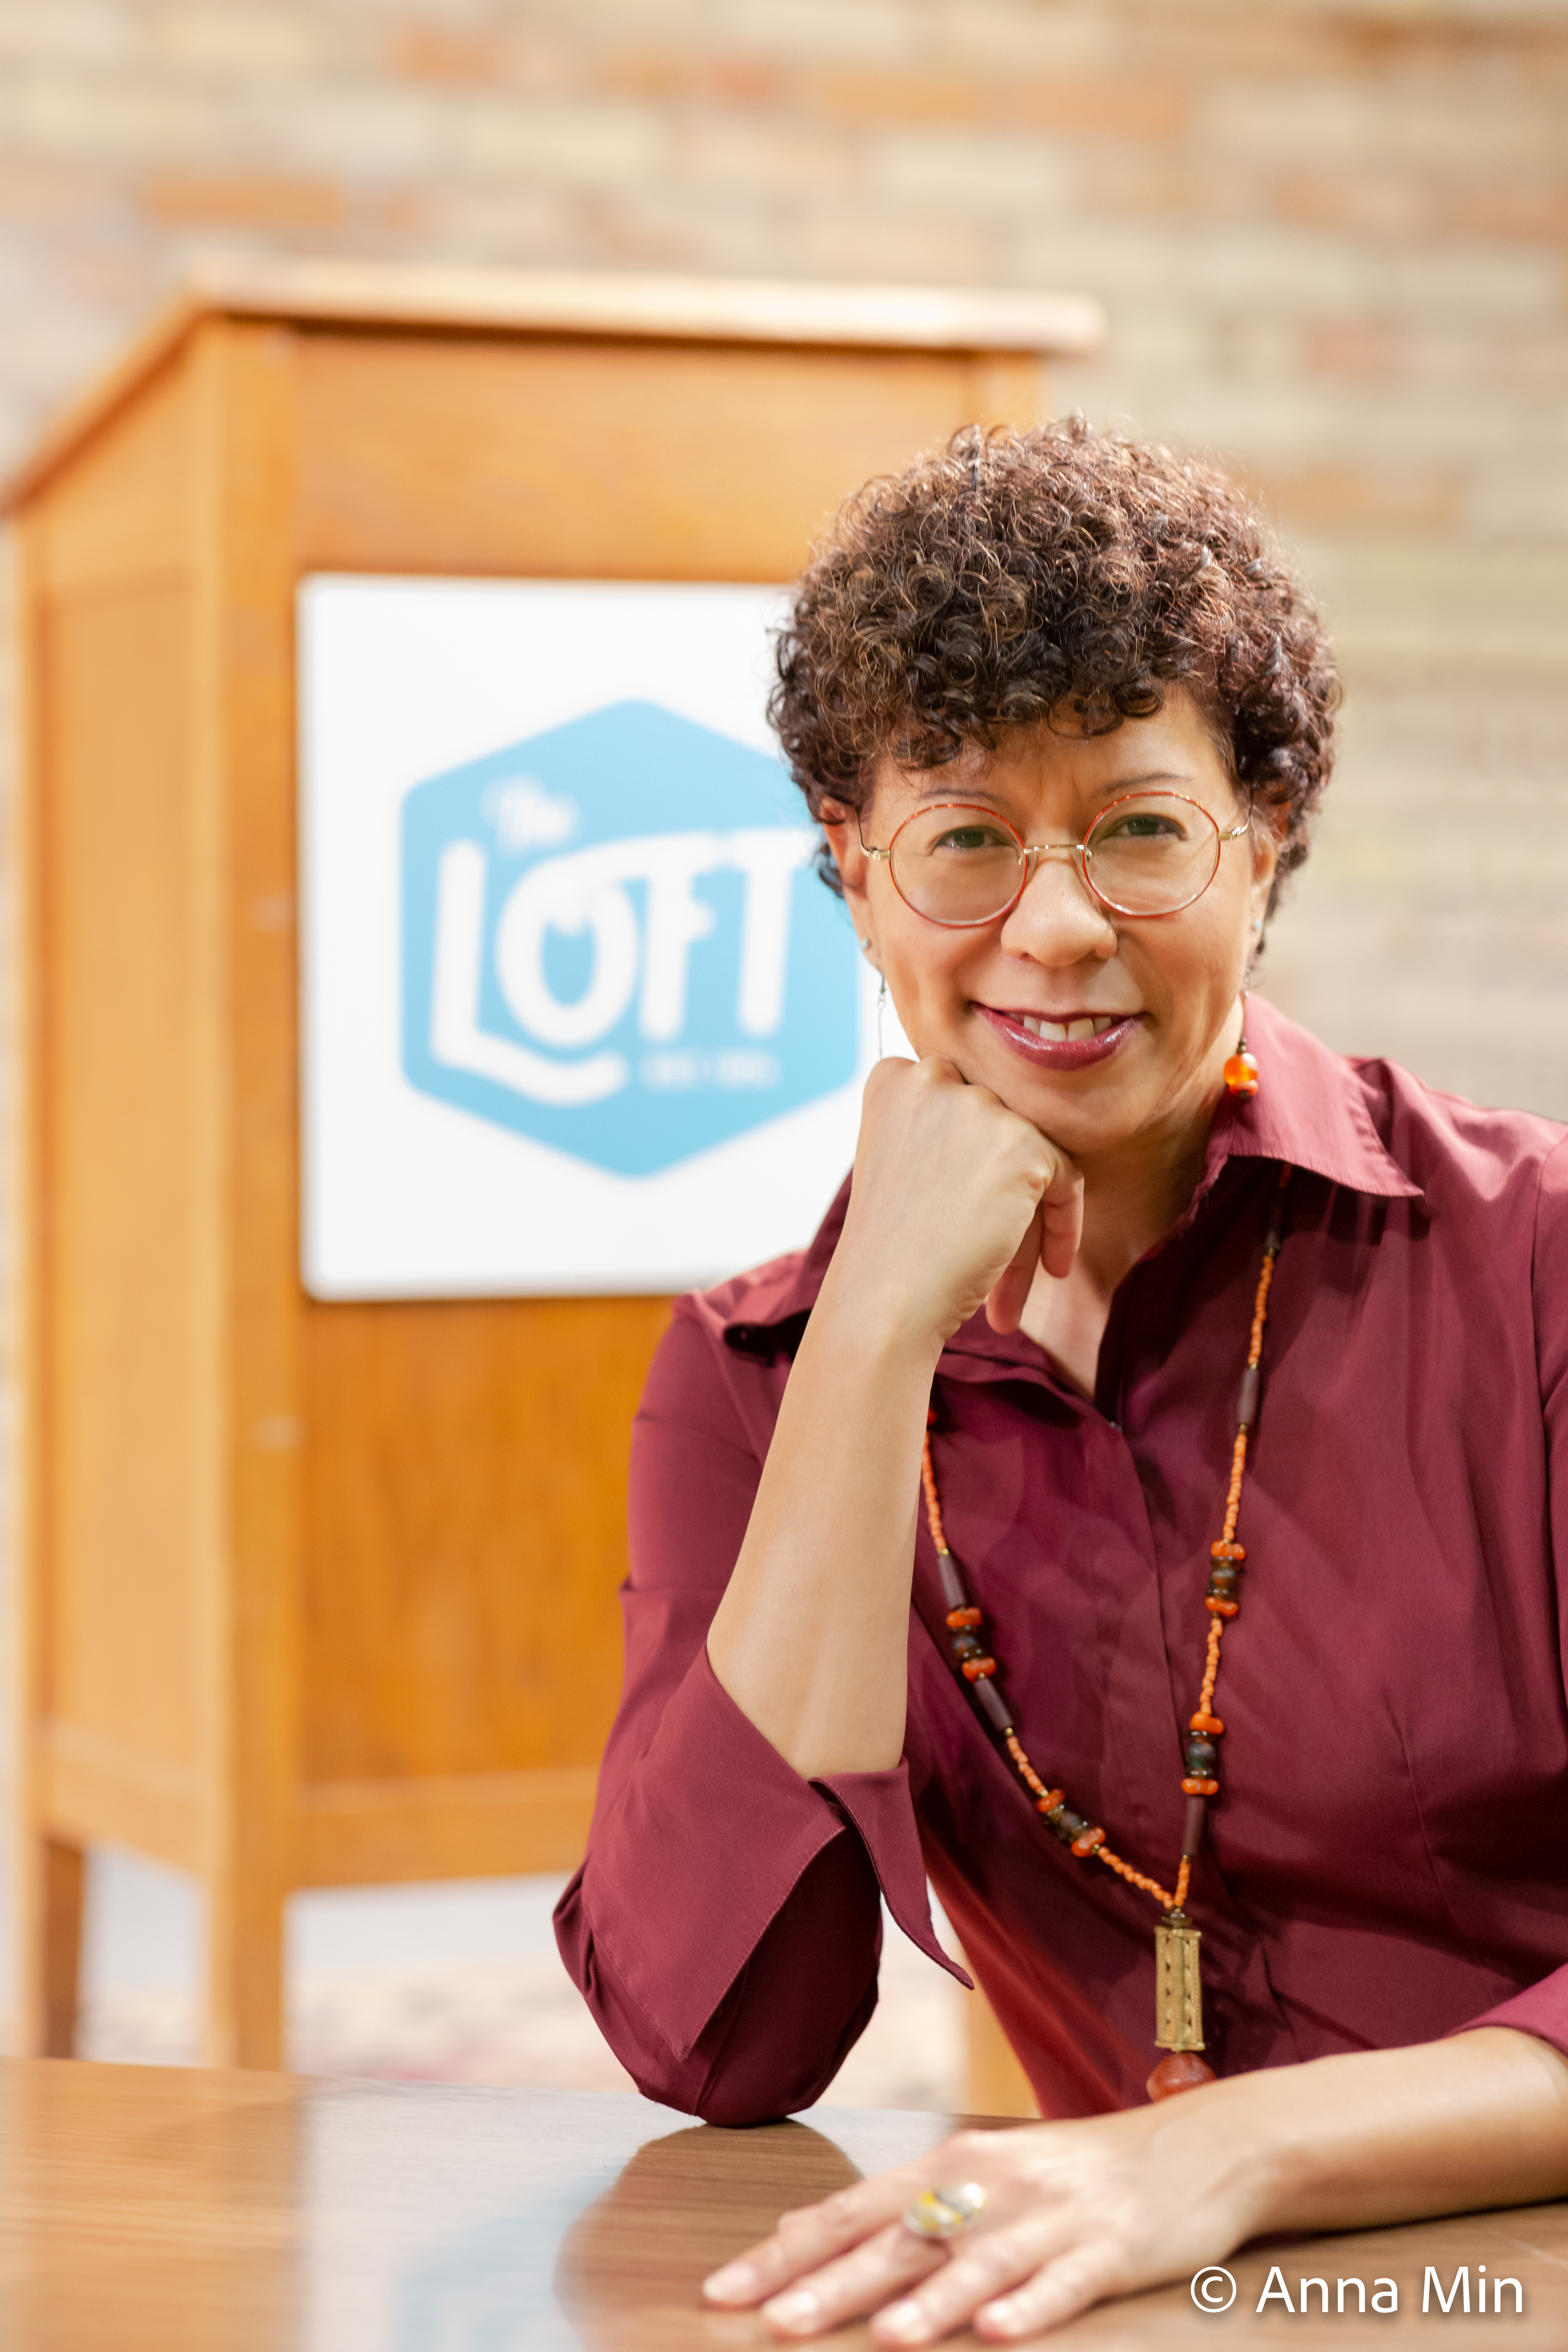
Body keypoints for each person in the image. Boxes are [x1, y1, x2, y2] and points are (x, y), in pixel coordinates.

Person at [554, 422, 1568, 2343]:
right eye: (963, 838)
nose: (1058, 922)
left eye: (1138, 825)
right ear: (852, 875)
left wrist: (1222, 2153)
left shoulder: (1534, 1266)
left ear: (1262, 845)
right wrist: (868, 1345)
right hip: (1147, 2304)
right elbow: (713, 2031)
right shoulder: (757, 1371)